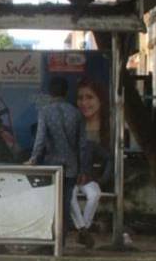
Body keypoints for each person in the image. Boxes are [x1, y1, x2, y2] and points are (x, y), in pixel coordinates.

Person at [26, 76, 90, 248]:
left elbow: (40, 140)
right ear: (66, 92)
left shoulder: (45, 112)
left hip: (51, 167)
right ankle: (60, 243)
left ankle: (49, 241)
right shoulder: (76, 113)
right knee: (65, 205)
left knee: (50, 203)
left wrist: (33, 160)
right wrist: (83, 170)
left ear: (50, 92)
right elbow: (82, 145)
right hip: (71, 168)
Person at [71, 78, 115, 248]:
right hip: (72, 177)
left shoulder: (109, 128)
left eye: (89, 97)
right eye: (80, 98)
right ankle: (83, 229)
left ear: (100, 100)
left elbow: (108, 157)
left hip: (90, 178)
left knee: (94, 195)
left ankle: (84, 229)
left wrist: (101, 178)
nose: (84, 103)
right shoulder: (74, 128)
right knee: (68, 196)